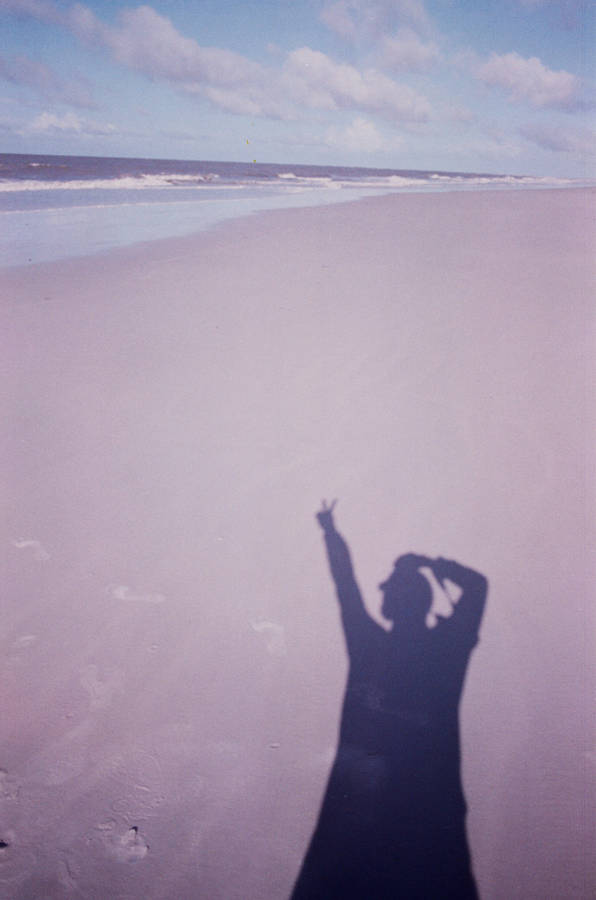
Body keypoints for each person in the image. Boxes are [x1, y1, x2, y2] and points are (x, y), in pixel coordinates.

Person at [291, 501, 488, 900]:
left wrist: (330, 532)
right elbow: (477, 587)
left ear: (397, 600)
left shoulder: (375, 648)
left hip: (362, 825)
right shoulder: (445, 652)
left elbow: (345, 584)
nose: (384, 592)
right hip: (423, 821)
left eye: (391, 586)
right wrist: (433, 565)